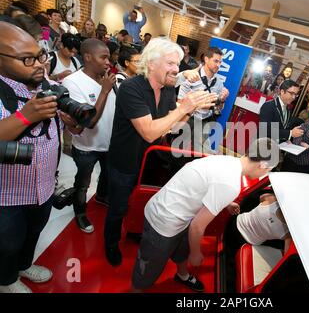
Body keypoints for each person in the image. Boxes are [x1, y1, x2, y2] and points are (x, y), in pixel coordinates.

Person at [104, 38, 217, 266]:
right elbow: (148, 132)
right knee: (118, 208)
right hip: (124, 162)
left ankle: (135, 231)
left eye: (177, 64)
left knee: (142, 204)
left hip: (149, 162)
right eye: (170, 63)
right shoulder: (131, 88)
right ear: (151, 63)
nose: (177, 69)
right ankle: (111, 244)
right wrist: (184, 107)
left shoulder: (166, 90)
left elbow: (172, 127)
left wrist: (189, 110)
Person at [131, 138, 279, 292]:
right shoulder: (231, 184)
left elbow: (208, 184)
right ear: (263, 166)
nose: (265, 174)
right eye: (268, 170)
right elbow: (197, 226)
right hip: (163, 221)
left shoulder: (228, 161)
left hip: (179, 214)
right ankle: (136, 289)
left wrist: (226, 203)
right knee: (148, 268)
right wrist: (196, 254)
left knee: (182, 249)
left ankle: (182, 275)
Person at [0, 22, 78, 293]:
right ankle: (7, 281)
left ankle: (23, 266)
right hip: (6, 194)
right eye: (27, 59)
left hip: (44, 186)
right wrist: (26, 116)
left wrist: (72, 121)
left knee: (33, 233)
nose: (39, 65)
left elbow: (69, 127)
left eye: (40, 55)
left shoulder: (45, 84)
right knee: (7, 242)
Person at [62, 39, 117, 233]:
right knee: (83, 184)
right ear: (87, 57)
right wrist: (104, 91)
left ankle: (102, 197)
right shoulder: (72, 82)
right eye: (103, 57)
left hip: (109, 145)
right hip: (87, 147)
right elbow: (89, 122)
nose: (108, 62)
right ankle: (80, 213)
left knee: (107, 176)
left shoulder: (108, 79)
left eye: (109, 57)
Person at [177, 46, 229, 152]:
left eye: (220, 62)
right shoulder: (192, 76)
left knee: (202, 153)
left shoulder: (219, 83)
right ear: (206, 59)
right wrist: (197, 104)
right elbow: (179, 103)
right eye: (215, 61)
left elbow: (218, 108)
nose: (218, 65)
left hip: (205, 122)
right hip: (188, 120)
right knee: (179, 151)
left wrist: (222, 100)